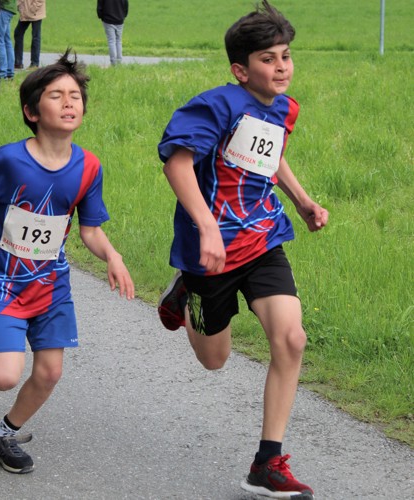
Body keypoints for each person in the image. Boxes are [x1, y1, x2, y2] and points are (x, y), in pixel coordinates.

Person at [0, 49, 135, 474]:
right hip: (1, 281)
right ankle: (4, 397)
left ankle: (4, 434)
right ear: (31, 111)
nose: (69, 102)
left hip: (51, 283)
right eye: (56, 95)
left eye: (74, 95)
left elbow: (89, 229)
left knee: (50, 372)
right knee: (4, 375)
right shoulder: (8, 161)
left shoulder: (89, 166)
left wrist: (112, 255)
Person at [157, 1, 328, 498]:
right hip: (211, 251)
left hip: (263, 238)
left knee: (291, 339)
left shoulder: (284, 107)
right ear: (240, 69)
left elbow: (270, 157)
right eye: (268, 59)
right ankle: (184, 292)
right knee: (215, 360)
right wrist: (207, 228)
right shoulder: (216, 106)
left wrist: (301, 201)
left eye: (286, 56)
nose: (281, 67)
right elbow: (178, 162)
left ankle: (267, 463)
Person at [14, 0, 45, 70]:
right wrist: (20, 7)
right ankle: (18, 62)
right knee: (18, 33)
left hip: (35, 12)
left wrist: (32, 8)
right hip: (25, 12)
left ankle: (34, 64)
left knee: (35, 37)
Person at [97, 0, 128, 66]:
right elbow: (126, 5)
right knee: (118, 40)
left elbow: (100, 7)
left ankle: (113, 63)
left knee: (111, 41)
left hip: (108, 20)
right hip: (120, 19)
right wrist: (123, 16)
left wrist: (101, 17)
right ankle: (119, 61)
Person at [0, 0, 16, 80]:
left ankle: (2, 73)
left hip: (3, 8)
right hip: (9, 9)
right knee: (7, 41)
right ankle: (10, 71)